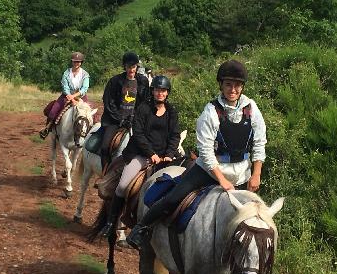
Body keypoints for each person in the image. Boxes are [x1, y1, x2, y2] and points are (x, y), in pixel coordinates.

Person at [126, 59, 266, 248]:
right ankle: (141, 228)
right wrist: (222, 180)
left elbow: (259, 143)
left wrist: (256, 174)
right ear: (221, 85)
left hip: (241, 173)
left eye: (237, 85)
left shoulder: (252, 109)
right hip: (208, 171)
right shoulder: (211, 111)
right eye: (228, 84)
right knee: (174, 198)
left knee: (256, 219)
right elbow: (206, 152)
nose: (233, 89)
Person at [100, 75, 182, 237]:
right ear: (152, 91)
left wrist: (169, 154)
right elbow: (138, 134)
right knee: (123, 186)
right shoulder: (143, 109)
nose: (160, 93)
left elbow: (175, 135)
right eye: (158, 90)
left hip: (164, 159)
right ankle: (111, 222)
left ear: (167, 93)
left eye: (163, 91)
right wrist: (151, 154)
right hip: (140, 155)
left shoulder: (172, 112)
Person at [99, 51, 150, 170]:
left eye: (133, 67)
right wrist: (120, 119)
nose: (131, 70)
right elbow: (109, 102)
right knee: (105, 147)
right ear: (124, 66)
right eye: (129, 67)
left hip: (135, 120)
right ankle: (105, 173)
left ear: (137, 67)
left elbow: (145, 102)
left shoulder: (143, 81)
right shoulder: (115, 81)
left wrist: (137, 118)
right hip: (114, 120)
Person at [39, 52, 90, 139]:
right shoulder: (66, 73)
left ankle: (90, 133)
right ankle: (48, 128)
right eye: (75, 61)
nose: (76, 63)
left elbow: (84, 88)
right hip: (66, 95)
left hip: (80, 96)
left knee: (90, 113)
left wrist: (73, 97)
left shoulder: (85, 74)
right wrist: (70, 97)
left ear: (81, 62)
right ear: (72, 62)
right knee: (53, 110)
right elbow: (65, 87)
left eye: (78, 62)